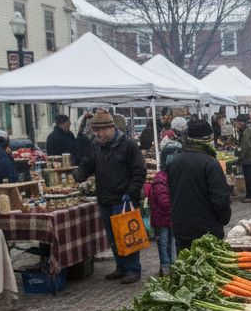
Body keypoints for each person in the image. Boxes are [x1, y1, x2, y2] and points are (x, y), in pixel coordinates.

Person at [74, 109, 147, 284]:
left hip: (123, 199)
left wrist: (130, 193)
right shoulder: (96, 146)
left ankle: (133, 269)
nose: (98, 134)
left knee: (128, 236)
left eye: (101, 130)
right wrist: (78, 174)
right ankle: (121, 267)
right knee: (113, 238)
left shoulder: (128, 145)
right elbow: (87, 165)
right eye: (96, 131)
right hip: (105, 198)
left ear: (111, 128)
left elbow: (139, 171)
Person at [167, 119, 232, 253]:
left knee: (185, 269)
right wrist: (223, 219)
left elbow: (172, 193)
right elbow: (220, 199)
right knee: (207, 270)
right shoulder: (210, 163)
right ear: (208, 139)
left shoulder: (175, 161)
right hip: (206, 231)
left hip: (181, 229)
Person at [146, 141, 179, 276]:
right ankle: (166, 266)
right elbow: (164, 202)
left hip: (169, 217)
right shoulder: (161, 179)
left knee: (171, 242)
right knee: (164, 242)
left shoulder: (169, 176)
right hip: (163, 218)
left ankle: (172, 264)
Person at [232, 114, 251, 202]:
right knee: (250, 178)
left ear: (241, 122)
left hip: (249, 159)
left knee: (249, 178)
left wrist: (240, 157)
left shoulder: (246, 131)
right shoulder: (249, 129)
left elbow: (246, 146)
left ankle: (250, 197)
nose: (236, 124)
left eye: (236, 122)